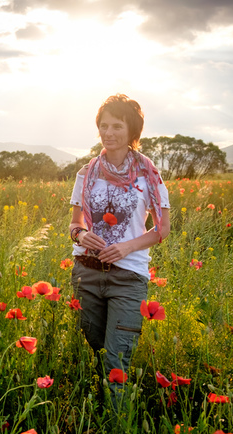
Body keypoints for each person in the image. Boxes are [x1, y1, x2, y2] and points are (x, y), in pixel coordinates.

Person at [68, 94, 170, 407]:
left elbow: (161, 229)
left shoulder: (148, 176)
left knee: (116, 361)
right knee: (100, 351)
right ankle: (101, 417)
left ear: (132, 131)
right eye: (103, 126)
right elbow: (74, 225)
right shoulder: (86, 174)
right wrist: (82, 235)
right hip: (86, 274)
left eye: (116, 126)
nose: (108, 132)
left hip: (128, 277)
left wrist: (126, 246)